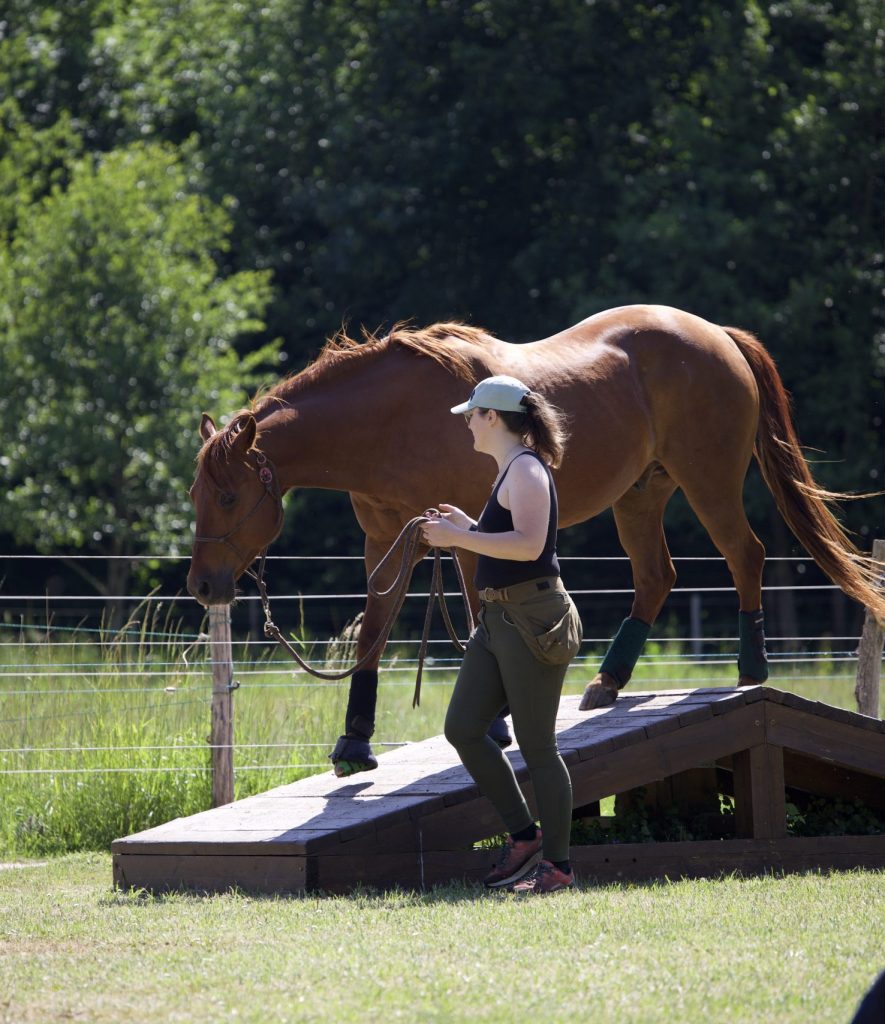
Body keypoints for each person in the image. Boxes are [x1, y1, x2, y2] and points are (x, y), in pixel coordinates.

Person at [421, 374, 582, 894]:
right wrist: (467, 527)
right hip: (497, 621)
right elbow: (508, 536)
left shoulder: (527, 470)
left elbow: (530, 546)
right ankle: (525, 836)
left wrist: (457, 538)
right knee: (464, 728)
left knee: (538, 747)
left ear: (493, 418)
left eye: (472, 414)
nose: (467, 422)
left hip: (529, 618)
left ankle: (557, 866)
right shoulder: (510, 470)